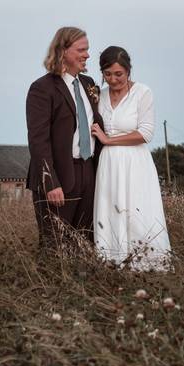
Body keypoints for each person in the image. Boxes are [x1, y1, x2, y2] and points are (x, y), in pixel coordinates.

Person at [91, 46, 171, 270]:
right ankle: (111, 263)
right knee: (110, 210)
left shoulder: (143, 92)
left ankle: (147, 265)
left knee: (137, 212)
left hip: (135, 163)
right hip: (108, 164)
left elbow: (145, 133)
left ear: (128, 71)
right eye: (108, 74)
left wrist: (108, 140)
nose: (113, 80)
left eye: (119, 74)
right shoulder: (99, 95)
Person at [26, 27, 104, 249]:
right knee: (56, 246)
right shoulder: (42, 89)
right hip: (59, 176)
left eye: (87, 49)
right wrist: (50, 183)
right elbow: (38, 141)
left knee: (86, 244)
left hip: (89, 172)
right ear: (62, 51)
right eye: (82, 49)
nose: (87, 55)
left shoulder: (89, 85)